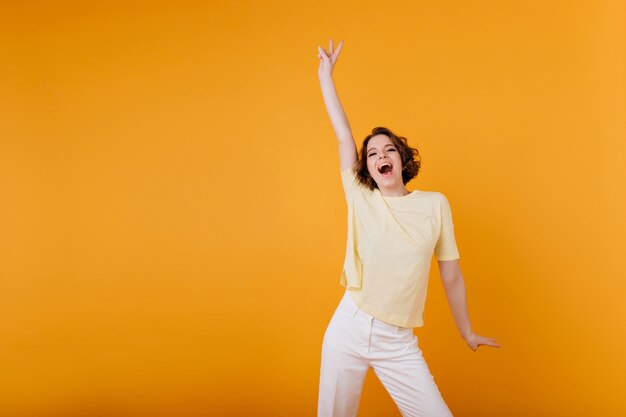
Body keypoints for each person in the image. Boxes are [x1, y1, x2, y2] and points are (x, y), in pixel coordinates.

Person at [316, 39, 501, 417]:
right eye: (372, 154)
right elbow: (342, 135)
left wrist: (466, 331)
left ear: (401, 159)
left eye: (388, 150)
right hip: (348, 327)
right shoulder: (360, 196)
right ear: (366, 169)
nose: (380, 156)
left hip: (397, 342)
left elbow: (451, 276)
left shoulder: (435, 205)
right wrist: (325, 75)